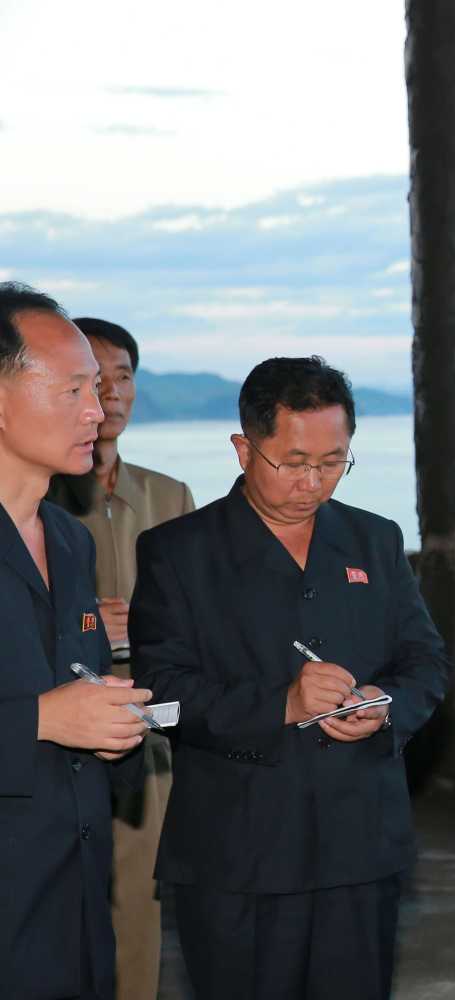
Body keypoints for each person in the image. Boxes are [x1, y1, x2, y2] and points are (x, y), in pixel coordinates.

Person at [131, 356, 451, 1000]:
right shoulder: (179, 551)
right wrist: (282, 702)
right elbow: (162, 694)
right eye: (294, 461)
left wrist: (382, 706)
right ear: (244, 448)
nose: (313, 481)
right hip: (238, 849)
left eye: (334, 461)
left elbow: (425, 661)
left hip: (358, 840)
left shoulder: (374, 539)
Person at [0, 282, 153, 1000]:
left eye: (98, 387)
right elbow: (42, 710)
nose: (98, 410)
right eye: (71, 390)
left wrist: (102, 719)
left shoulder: (67, 538)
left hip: (76, 891)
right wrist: (42, 719)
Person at [48, 317, 195, 1000]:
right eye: (89, 378)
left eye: (123, 377)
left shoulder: (170, 498)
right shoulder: (30, 502)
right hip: (51, 729)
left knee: (140, 903)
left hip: (146, 732)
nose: (108, 394)